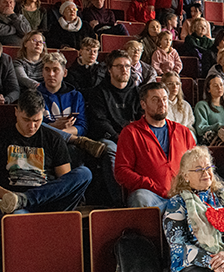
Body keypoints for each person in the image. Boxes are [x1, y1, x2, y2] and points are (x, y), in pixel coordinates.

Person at [0, 89, 92, 214]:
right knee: (18, 217)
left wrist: (26, 199)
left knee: (84, 173)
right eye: (26, 120)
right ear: (16, 112)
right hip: (16, 206)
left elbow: (64, 182)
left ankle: (25, 199)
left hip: (49, 201)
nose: (32, 126)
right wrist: (10, 196)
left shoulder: (54, 139)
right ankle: (21, 201)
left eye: (36, 121)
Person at [115, 81, 195, 213]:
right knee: (140, 198)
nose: (162, 103)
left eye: (164, 99)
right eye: (155, 99)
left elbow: (195, 164)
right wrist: (151, 185)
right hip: (151, 196)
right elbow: (122, 171)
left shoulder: (183, 131)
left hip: (182, 195)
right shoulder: (131, 132)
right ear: (143, 104)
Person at [88, 50, 142, 206]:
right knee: (111, 150)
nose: (124, 70)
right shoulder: (99, 92)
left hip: (133, 138)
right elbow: (100, 122)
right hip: (110, 137)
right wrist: (121, 139)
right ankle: (119, 200)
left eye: (127, 66)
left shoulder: (137, 92)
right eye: (119, 66)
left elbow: (142, 118)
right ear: (110, 69)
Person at [36, 51, 105, 159]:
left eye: (55, 70)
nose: (51, 74)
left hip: (70, 146)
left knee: (83, 169)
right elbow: (32, 126)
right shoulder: (34, 95)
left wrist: (63, 133)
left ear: (65, 73)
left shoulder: (76, 96)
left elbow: (82, 126)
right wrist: (54, 126)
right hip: (43, 142)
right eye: (47, 69)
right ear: (42, 73)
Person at [194, 74, 224, 145]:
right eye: (215, 85)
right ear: (208, 89)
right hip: (210, 139)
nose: (219, 88)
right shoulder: (202, 105)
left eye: (221, 85)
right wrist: (219, 126)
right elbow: (200, 129)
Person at [161, 71, 195, 138]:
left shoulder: (186, 105)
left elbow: (190, 128)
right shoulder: (160, 105)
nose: (175, 86)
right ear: (164, 85)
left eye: (177, 84)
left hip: (184, 139)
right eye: (170, 84)